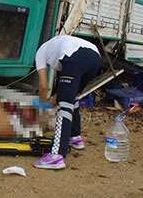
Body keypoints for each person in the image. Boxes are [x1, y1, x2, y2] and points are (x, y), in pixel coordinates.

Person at [32, 35, 103, 170]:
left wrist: (42, 107)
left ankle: (56, 156)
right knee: (71, 98)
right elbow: (61, 91)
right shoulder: (56, 47)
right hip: (95, 59)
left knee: (64, 104)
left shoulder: (40, 53)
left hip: (75, 57)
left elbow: (43, 86)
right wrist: (53, 100)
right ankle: (74, 137)